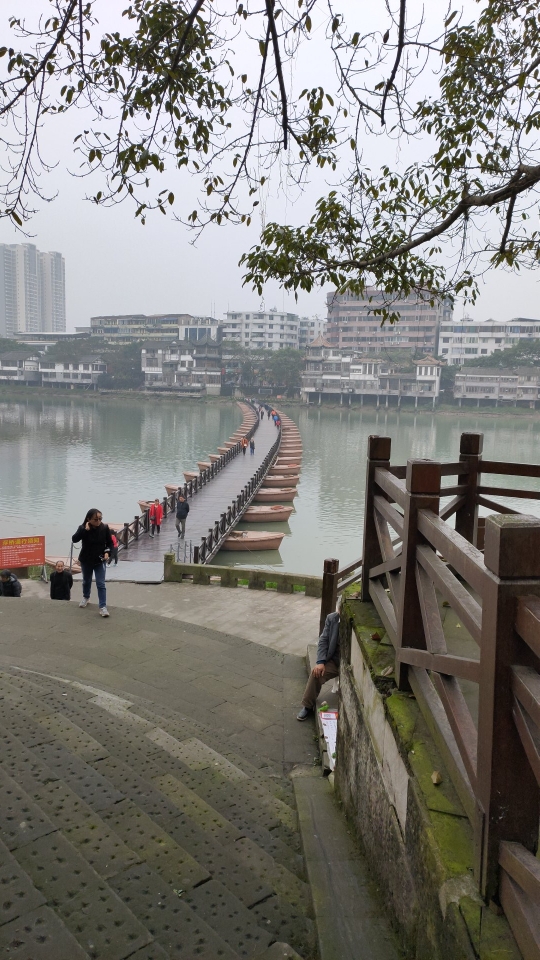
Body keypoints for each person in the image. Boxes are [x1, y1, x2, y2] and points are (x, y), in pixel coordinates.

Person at [297, 607, 340, 720]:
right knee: (316, 673)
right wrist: (320, 661)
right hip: (335, 661)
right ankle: (307, 705)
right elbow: (323, 640)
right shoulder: (332, 618)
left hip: (350, 664)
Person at [72, 508, 113, 617]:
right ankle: (86, 596)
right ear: (88, 519)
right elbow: (74, 539)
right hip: (86, 560)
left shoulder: (104, 528)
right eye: (95, 519)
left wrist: (107, 552)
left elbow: (109, 543)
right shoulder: (83, 528)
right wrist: (84, 530)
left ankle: (103, 607)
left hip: (100, 560)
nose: (98, 521)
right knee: (86, 581)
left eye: (100, 518)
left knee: (101, 583)